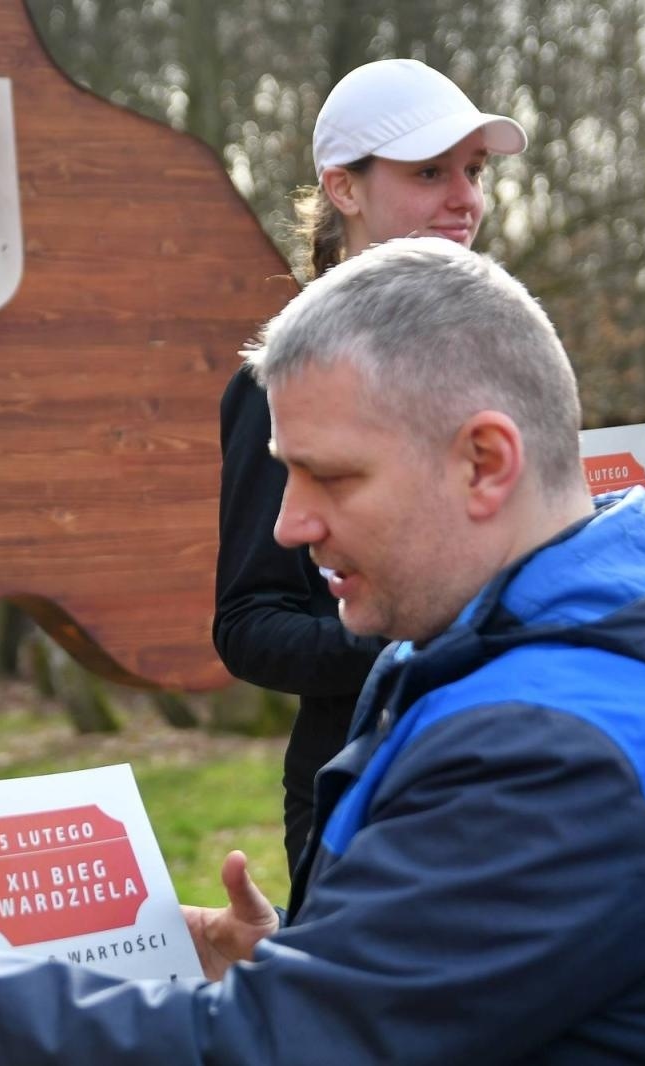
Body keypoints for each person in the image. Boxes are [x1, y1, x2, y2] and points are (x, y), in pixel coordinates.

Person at [0, 239, 645, 1065]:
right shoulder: (599, 634)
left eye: (328, 476)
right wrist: (322, 959)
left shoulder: (555, 746)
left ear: (483, 461)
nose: (288, 524)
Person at [214, 58, 527, 873]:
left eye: (474, 170)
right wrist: (413, 645)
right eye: (429, 172)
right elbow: (248, 626)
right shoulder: (280, 380)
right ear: (344, 190)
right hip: (364, 793)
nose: (465, 198)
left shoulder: (510, 362)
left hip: (522, 776)